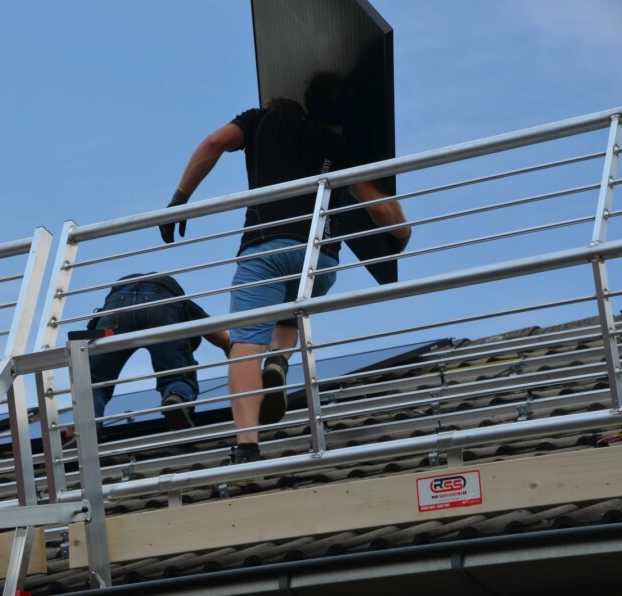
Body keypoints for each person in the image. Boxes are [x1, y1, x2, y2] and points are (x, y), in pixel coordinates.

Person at [160, 72, 411, 464]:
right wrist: (401, 235)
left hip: (266, 251)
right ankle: (279, 359)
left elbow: (214, 143)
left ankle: (247, 445)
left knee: (245, 345)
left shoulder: (259, 120)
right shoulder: (338, 145)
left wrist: (180, 199)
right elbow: (379, 208)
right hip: (320, 261)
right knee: (289, 313)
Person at [79, 273, 230, 439]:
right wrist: (240, 362)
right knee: (177, 374)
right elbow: (223, 339)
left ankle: (85, 427)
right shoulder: (182, 303)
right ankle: (176, 398)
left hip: (116, 302)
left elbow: (84, 344)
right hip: (161, 298)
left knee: (95, 381)